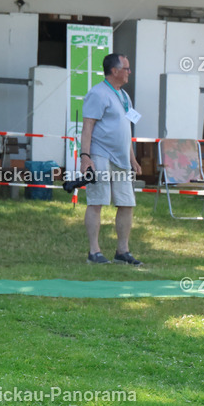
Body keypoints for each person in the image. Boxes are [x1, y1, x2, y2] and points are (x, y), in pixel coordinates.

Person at [80, 53, 143, 265]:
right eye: (126, 68)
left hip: (122, 157)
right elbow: (87, 126)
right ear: (114, 71)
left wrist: (132, 157)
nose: (129, 72)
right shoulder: (97, 94)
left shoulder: (125, 96)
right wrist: (85, 157)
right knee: (97, 201)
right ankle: (94, 252)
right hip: (100, 154)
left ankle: (122, 251)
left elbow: (127, 128)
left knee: (126, 203)